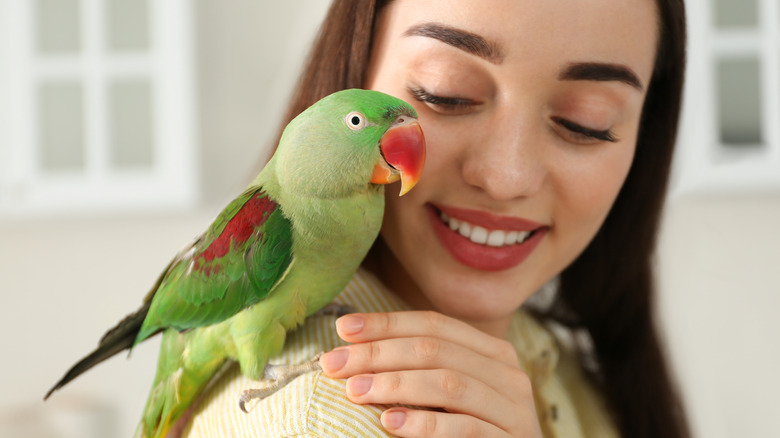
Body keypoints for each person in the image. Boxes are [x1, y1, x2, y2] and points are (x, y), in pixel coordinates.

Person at [181, 0, 689, 436]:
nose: (506, 177)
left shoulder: (561, 359)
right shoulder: (316, 420)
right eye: (444, 94)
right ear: (354, 72)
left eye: (587, 123)